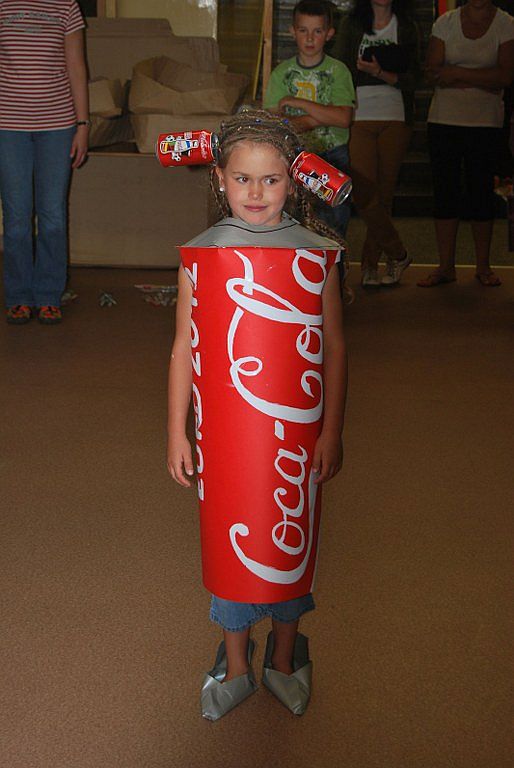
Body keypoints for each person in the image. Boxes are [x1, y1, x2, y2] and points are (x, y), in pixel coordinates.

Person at [167, 110, 347, 720]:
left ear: (293, 183)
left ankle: (286, 655)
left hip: (295, 433)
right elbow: (183, 345)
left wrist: (330, 430)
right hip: (226, 433)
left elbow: (334, 346)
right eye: (242, 178)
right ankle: (237, 661)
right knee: (231, 544)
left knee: (290, 544)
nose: (255, 192)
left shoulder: (318, 255)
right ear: (219, 178)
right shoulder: (200, 254)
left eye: (270, 180)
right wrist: (176, 431)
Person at [0, 0, 90, 325]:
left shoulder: (66, 6)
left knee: (52, 215)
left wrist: (83, 125)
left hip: (58, 126)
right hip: (8, 126)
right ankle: (19, 295)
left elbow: (76, 66)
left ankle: (49, 295)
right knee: (16, 217)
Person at [418, 0, 514, 288]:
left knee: (481, 193)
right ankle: (445, 266)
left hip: (486, 123)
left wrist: (457, 73)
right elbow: (432, 72)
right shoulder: (445, 22)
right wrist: (484, 78)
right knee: (445, 192)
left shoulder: (506, 24)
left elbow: (505, 76)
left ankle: (483, 266)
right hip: (443, 120)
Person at [334, 0, 420, 287]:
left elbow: (416, 76)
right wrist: (370, 70)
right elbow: (339, 70)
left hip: (396, 116)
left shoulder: (406, 25)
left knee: (384, 195)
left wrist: (382, 73)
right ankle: (398, 253)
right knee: (363, 192)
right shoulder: (351, 24)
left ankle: (371, 265)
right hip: (358, 114)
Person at [263, 0, 355, 240]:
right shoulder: (280, 74)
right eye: (303, 30)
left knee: (333, 227)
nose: (310, 38)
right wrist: (320, 117)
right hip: (294, 157)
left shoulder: (338, 71)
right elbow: (277, 125)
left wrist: (298, 103)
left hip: (333, 157)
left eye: (318, 31)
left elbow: (343, 118)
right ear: (292, 32)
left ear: (329, 33)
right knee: (295, 225)